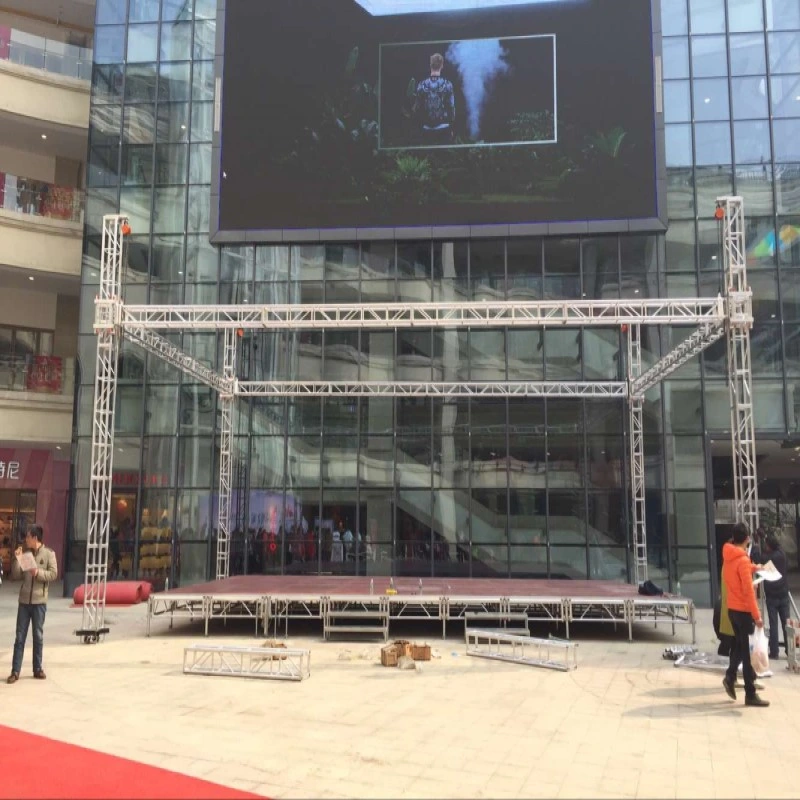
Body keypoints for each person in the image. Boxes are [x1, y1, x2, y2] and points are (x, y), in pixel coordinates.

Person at [721, 523, 768, 707]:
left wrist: (756, 568)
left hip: (732, 608)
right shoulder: (741, 560)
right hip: (743, 611)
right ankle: (750, 692)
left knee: (741, 647)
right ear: (747, 538)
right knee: (747, 653)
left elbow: (739, 574)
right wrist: (757, 616)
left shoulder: (729, 556)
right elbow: (748, 592)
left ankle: (730, 676)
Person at [7, 524, 58, 684]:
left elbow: (54, 574)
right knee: (20, 637)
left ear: (35, 538)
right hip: (24, 601)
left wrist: (38, 573)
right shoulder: (26, 554)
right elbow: (15, 575)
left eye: (28, 537)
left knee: (38, 636)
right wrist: (17, 559)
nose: (26, 539)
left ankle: (37, 668)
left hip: (39, 602)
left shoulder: (49, 554)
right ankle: (15, 671)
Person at [414, 53, 455, 146]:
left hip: (427, 130)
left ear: (430, 65)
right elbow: (451, 108)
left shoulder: (421, 85)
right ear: (442, 65)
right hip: (444, 129)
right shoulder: (448, 84)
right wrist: (451, 128)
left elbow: (416, 109)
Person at [763, 533, 790, 660]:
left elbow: (759, 558)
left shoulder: (769, 558)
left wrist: (757, 543)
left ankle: (774, 652)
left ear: (770, 546)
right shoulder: (782, 555)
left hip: (772, 596)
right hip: (784, 594)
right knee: (787, 624)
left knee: (773, 625)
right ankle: (789, 650)